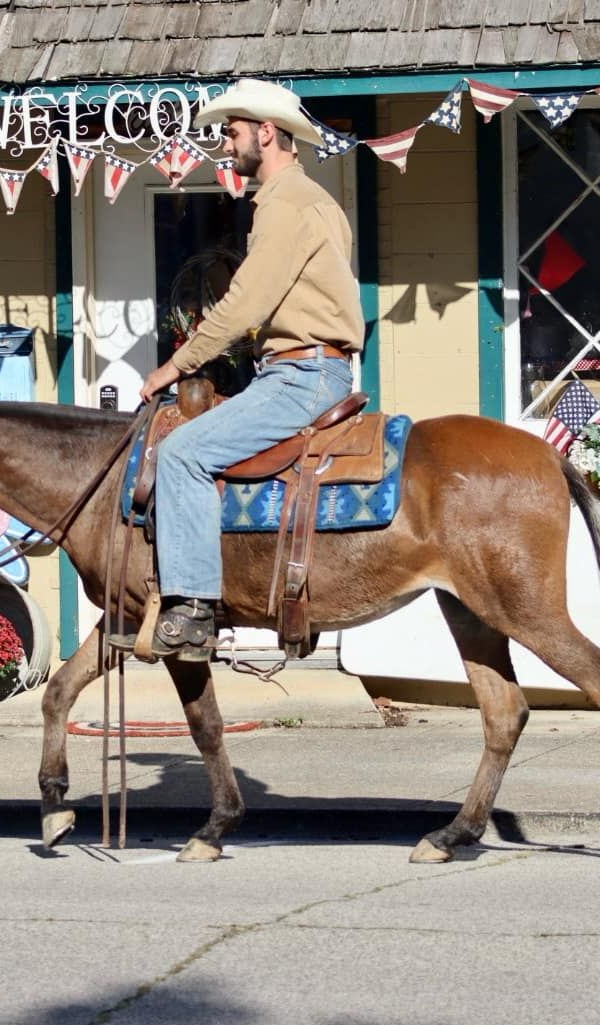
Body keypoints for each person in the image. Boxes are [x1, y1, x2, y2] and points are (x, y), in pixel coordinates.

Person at [136, 79, 364, 661]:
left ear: (267, 133)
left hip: (300, 377)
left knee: (184, 452)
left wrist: (172, 367)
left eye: (233, 132)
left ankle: (192, 611)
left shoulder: (285, 205)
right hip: (313, 368)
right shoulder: (319, 201)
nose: (226, 143)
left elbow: (245, 304)